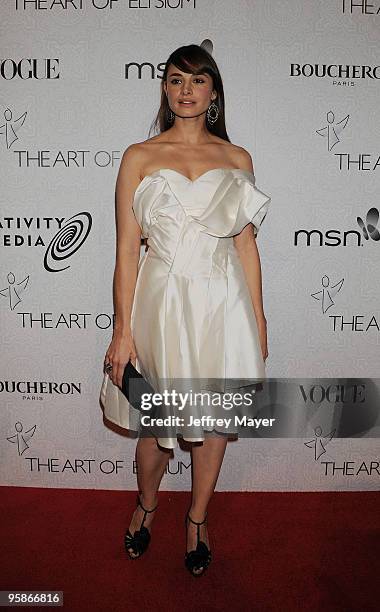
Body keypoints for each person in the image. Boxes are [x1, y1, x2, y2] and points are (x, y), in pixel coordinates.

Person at [100, 43, 271, 577]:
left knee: (214, 421)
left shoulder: (237, 158)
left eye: (197, 81)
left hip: (223, 300)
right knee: (158, 422)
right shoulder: (139, 156)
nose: (186, 90)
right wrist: (121, 330)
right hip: (161, 297)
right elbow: (127, 248)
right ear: (164, 89)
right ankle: (147, 503)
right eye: (175, 80)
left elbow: (246, 246)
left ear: (214, 91)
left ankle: (196, 518)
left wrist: (260, 320)